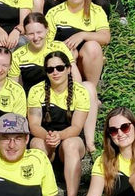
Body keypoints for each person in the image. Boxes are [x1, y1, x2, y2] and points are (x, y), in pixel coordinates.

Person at [10, 12, 98, 151]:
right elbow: (13, 87)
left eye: (39, 32)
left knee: (89, 88)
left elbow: (74, 75)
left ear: (47, 30)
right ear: (25, 35)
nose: (36, 37)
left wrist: (75, 96)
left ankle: (90, 143)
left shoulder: (59, 47)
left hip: (62, 95)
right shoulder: (18, 56)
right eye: (31, 33)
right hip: (36, 101)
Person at [28, 52, 90, 196]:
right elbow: (34, 125)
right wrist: (48, 137)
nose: (55, 72)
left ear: (68, 69)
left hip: (70, 139)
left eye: (60, 68)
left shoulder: (80, 92)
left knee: (70, 144)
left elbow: (77, 127)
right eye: (50, 69)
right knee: (37, 145)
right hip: (45, 137)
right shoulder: (36, 90)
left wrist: (59, 136)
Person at [45, 0, 110, 86]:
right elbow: (47, 42)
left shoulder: (97, 11)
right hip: (62, 62)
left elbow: (105, 37)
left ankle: (92, 89)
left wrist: (83, 35)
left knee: (93, 46)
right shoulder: (54, 12)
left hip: (86, 62)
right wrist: (66, 52)